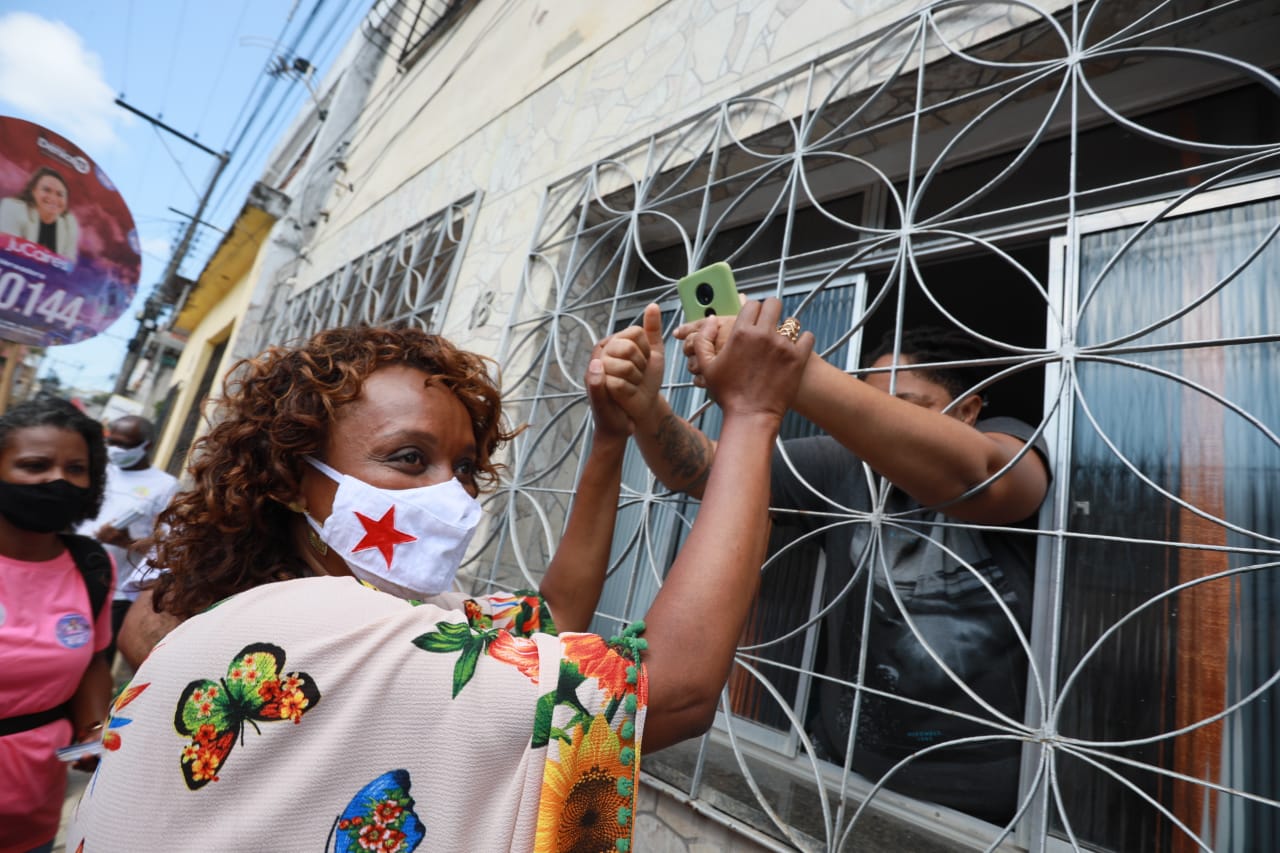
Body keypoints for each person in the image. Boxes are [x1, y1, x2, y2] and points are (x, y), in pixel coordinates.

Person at [69, 305, 812, 851]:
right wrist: (752, 414)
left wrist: (610, 438)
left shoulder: (346, 610)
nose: (448, 495)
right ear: (293, 478)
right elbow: (674, 692)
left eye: (460, 467)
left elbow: (549, 619)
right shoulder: (323, 623)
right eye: (407, 458)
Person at [595, 304, 1050, 825]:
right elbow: (706, 470)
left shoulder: (1010, 440)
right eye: (870, 403)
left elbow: (986, 477)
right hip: (841, 773)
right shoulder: (845, 464)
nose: (877, 422)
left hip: (993, 799)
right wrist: (647, 409)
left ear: (968, 412)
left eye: (908, 405)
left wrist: (785, 366)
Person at [0, 397, 115, 853]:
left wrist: (92, 731)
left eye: (75, 469)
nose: (58, 480)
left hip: (33, 813)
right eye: (35, 465)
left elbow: (93, 660)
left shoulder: (92, 565)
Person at [74, 415, 178, 668]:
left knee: (94, 660)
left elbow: (167, 543)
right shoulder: (99, 470)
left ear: (147, 445)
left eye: (126, 444)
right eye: (113, 441)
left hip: (116, 591)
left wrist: (125, 542)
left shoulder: (165, 486)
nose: (117, 450)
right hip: (74, 577)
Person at [0, 167, 80, 263]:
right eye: (46, 190)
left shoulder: (69, 222)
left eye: (60, 194)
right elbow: (5, 252)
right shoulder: (13, 207)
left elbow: (69, 262)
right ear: (33, 191)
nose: (53, 198)